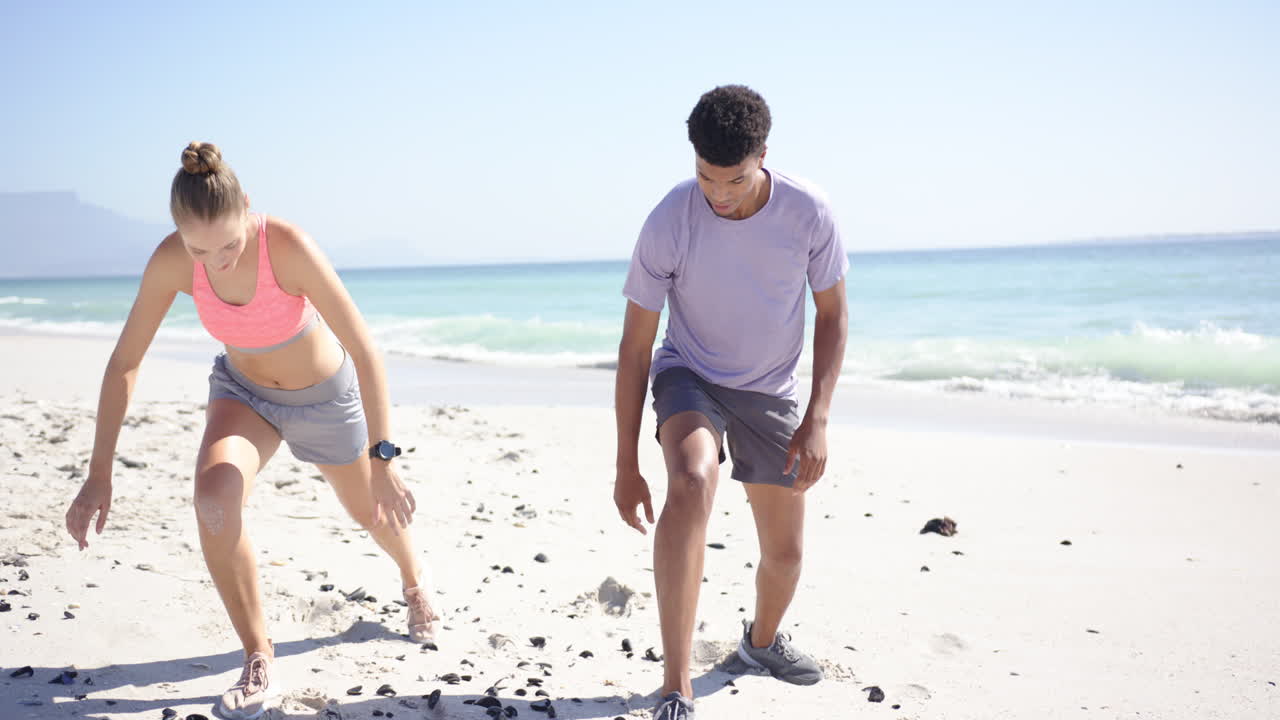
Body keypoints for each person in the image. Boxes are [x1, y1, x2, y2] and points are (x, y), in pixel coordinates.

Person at [63, 143, 440, 720]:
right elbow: (124, 363)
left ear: (247, 209)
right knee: (214, 497)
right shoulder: (171, 260)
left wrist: (385, 459)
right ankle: (258, 653)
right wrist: (98, 474)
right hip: (244, 396)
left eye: (230, 245)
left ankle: (414, 581)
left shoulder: (286, 246)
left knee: (371, 512)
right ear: (178, 234)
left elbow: (366, 351)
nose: (216, 262)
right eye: (199, 249)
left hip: (323, 397)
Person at [614, 85, 849, 719]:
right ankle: (675, 685)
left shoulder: (809, 212)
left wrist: (818, 416)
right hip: (689, 372)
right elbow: (636, 348)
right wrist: (626, 463)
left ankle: (761, 643)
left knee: (787, 553)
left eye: (735, 180)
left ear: (763, 156)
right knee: (691, 481)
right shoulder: (670, 219)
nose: (719, 193)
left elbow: (832, 315)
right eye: (706, 177)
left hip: (771, 389)